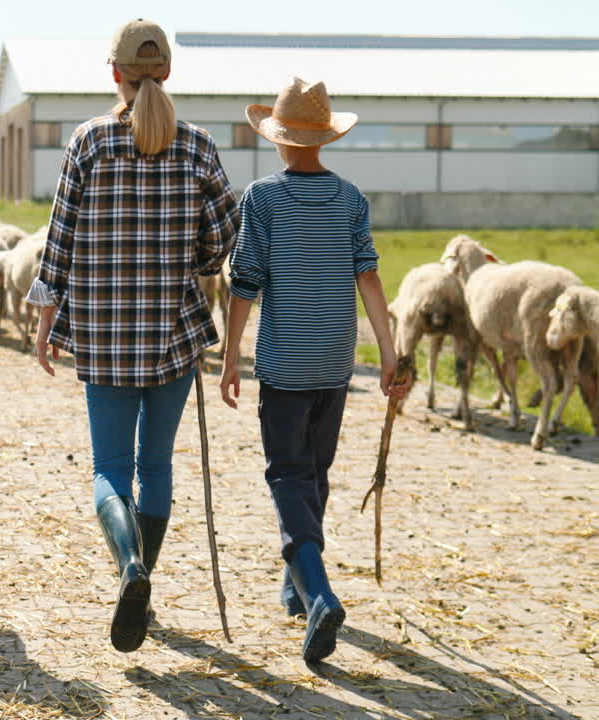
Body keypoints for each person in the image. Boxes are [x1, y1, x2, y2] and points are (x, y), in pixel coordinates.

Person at [26, 19, 239, 653]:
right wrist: (199, 264)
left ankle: (130, 569)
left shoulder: (87, 142)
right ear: (167, 73)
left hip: (103, 336)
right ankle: (144, 574)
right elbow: (226, 234)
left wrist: (44, 322)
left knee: (110, 470)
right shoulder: (197, 145)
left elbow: (58, 241)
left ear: (113, 73)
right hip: (173, 337)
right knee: (156, 468)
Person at [219, 77, 411, 662]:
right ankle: (297, 588)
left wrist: (230, 355)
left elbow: (245, 282)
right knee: (316, 472)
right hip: (335, 360)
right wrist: (388, 353)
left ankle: (319, 593)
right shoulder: (351, 197)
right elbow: (370, 278)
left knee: (286, 476)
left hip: (283, 363)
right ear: (323, 138)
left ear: (279, 138)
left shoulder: (262, 198)